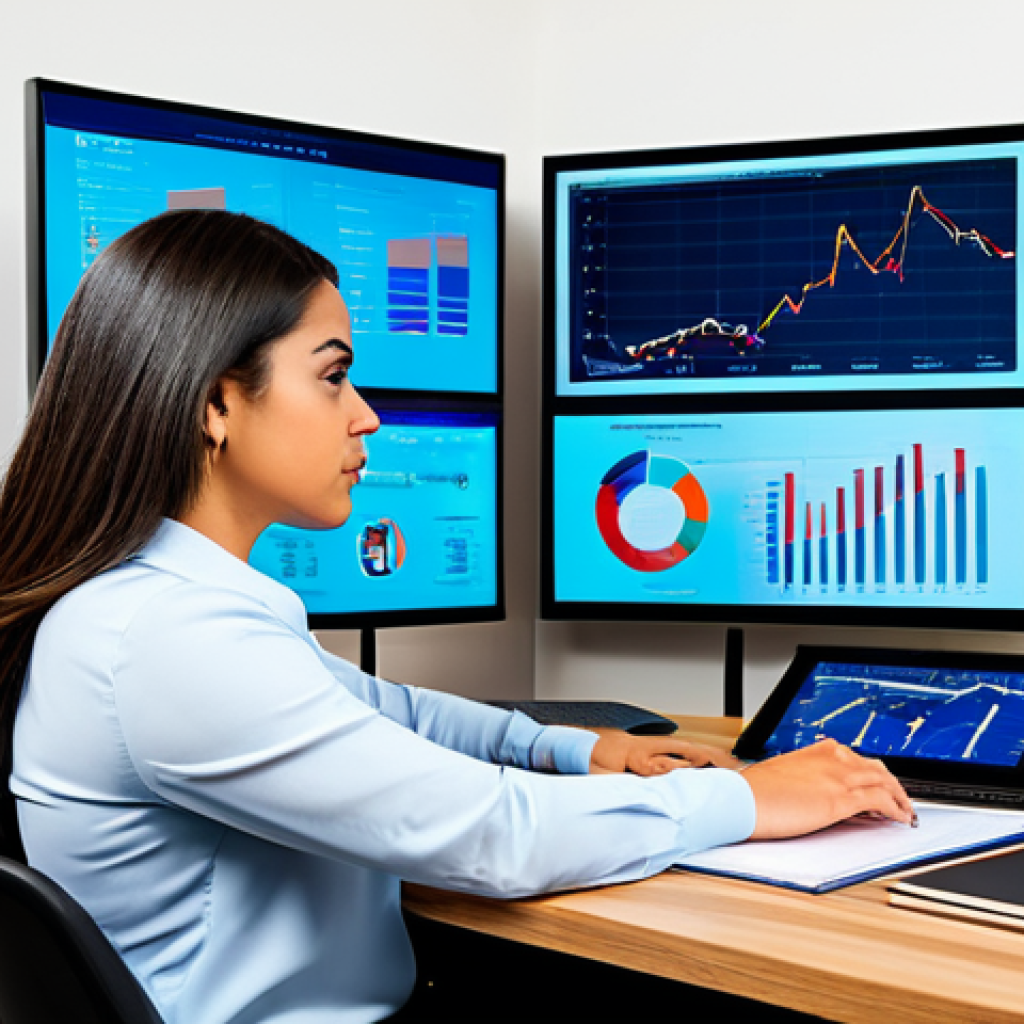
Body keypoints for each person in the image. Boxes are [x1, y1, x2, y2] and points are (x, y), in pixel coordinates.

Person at [0, 210, 913, 1024]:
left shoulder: (157, 607)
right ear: (215, 403)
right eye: (333, 378)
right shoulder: (169, 642)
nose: (367, 417)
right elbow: (495, 839)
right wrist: (749, 797)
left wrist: (576, 748)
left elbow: (386, 712)